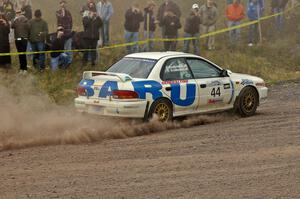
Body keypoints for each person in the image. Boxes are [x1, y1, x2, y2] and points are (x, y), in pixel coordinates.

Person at [11, 8, 29, 74]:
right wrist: (15, 19)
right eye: (17, 12)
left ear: (21, 13)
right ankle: (21, 68)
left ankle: (25, 69)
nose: (18, 13)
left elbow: (28, 27)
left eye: (19, 12)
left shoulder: (25, 19)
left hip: (24, 39)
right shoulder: (14, 20)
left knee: (23, 53)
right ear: (15, 13)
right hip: (17, 39)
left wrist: (24, 18)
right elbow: (12, 26)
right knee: (20, 54)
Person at [56, 0, 73, 66]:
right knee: (62, 49)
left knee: (68, 49)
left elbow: (71, 21)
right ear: (60, 4)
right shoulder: (58, 12)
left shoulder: (68, 12)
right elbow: (60, 18)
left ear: (66, 4)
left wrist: (69, 29)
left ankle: (69, 62)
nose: (63, 4)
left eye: (64, 3)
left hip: (68, 33)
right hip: (61, 34)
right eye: (61, 3)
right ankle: (63, 62)